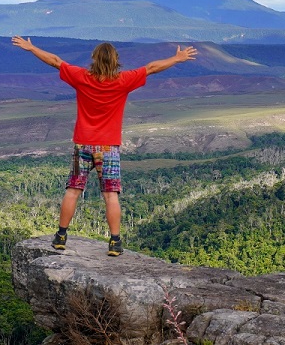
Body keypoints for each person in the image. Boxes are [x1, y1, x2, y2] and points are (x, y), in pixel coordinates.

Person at [12, 36, 197, 256]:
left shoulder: (82, 78)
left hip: (83, 144)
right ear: (116, 60)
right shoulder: (123, 80)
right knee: (111, 195)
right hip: (108, 147)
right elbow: (152, 68)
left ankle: (61, 236)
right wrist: (177, 58)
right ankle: (115, 242)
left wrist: (32, 48)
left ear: (94, 59)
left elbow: (55, 61)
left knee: (73, 191)